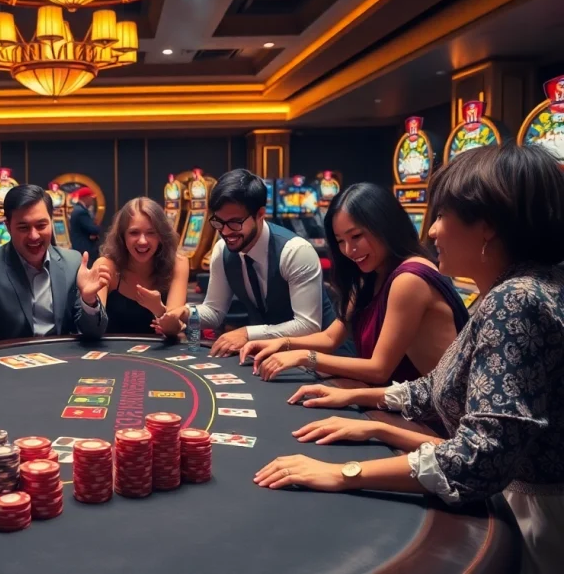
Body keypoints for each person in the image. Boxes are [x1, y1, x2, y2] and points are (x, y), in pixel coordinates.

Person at [254, 144, 564, 574]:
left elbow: (481, 458)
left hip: (536, 524)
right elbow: (437, 385)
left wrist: (344, 473)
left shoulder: (515, 300)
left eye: (442, 215)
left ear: (488, 226)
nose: (432, 230)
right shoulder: (524, 286)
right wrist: (369, 417)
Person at [239, 182, 468, 384]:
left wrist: (304, 357)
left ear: (385, 226)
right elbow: (330, 338)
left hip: (434, 413)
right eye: (341, 241)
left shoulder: (409, 278)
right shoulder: (370, 275)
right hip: (395, 400)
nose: (349, 250)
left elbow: (379, 370)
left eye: (356, 236)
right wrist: (281, 343)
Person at [155, 168, 337, 356]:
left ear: (260, 214)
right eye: (218, 222)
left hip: (320, 358)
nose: (225, 232)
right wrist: (185, 313)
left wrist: (247, 333)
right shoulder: (222, 250)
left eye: (235, 222)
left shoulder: (296, 252)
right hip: (270, 356)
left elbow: (308, 326)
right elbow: (214, 311)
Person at [0, 184, 109, 351]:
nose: (34, 236)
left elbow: (94, 332)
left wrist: (89, 301)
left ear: (51, 222)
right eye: (23, 227)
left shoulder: (72, 262)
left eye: (41, 226)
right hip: (10, 361)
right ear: (8, 227)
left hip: (63, 358)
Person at [94, 197, 189, 335]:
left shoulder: (178, 264)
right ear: (122, 236)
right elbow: (94, 327)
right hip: (112, 348)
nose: (143, 241)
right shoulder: (106, 266)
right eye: (134, 233)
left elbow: (173, 330)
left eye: (151, 233)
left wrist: (159, 310)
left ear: (161, 236)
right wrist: (87, 298)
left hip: (158, 349)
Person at [69, 187, 100, 258]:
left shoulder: (77, 209)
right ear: (86, 198)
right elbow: (93, 229)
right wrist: (97, 227)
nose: (92, 200)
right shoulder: (81, 212)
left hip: (79, 248)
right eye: (91, 198)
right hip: (84, 249)